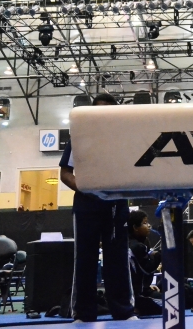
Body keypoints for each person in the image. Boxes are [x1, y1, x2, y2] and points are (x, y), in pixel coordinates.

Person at [59, 93, 136, 322]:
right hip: (87, 205)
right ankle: (83, 313)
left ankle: (123, 310)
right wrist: (87, 189)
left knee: (118, 258)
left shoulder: (124, 140)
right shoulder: (79, 137)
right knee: (85, 259)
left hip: (116, 205)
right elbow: (65, 174)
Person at [127, 210, 161, 316]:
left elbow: (138, 271)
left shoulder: (133, 242)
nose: (149, 225)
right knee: (174, 303)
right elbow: (148, 269)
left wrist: (147, 286)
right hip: (136, 296)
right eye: (145, 223)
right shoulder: (137, 246)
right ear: (135, 227)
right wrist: (159, 255)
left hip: (137, 291)